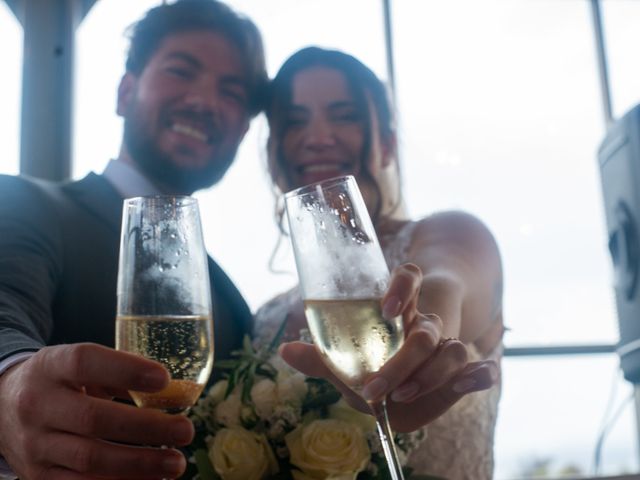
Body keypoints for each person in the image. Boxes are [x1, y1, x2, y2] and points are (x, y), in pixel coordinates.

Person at [0, 1, 267, 479]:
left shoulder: (229, 300)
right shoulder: (25, 203)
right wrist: (9, 384)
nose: (205, 101)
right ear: (125, 92)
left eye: (231, 92)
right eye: (181, 70)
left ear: (243, 131)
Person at [255, 46, 504, 479]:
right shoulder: (265, 317)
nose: (317, 136)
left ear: (387, 145)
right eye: (294, 122)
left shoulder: (453, 235)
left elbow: (441, 282)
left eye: (344, 115)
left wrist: (422, 334)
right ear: (274, 153)